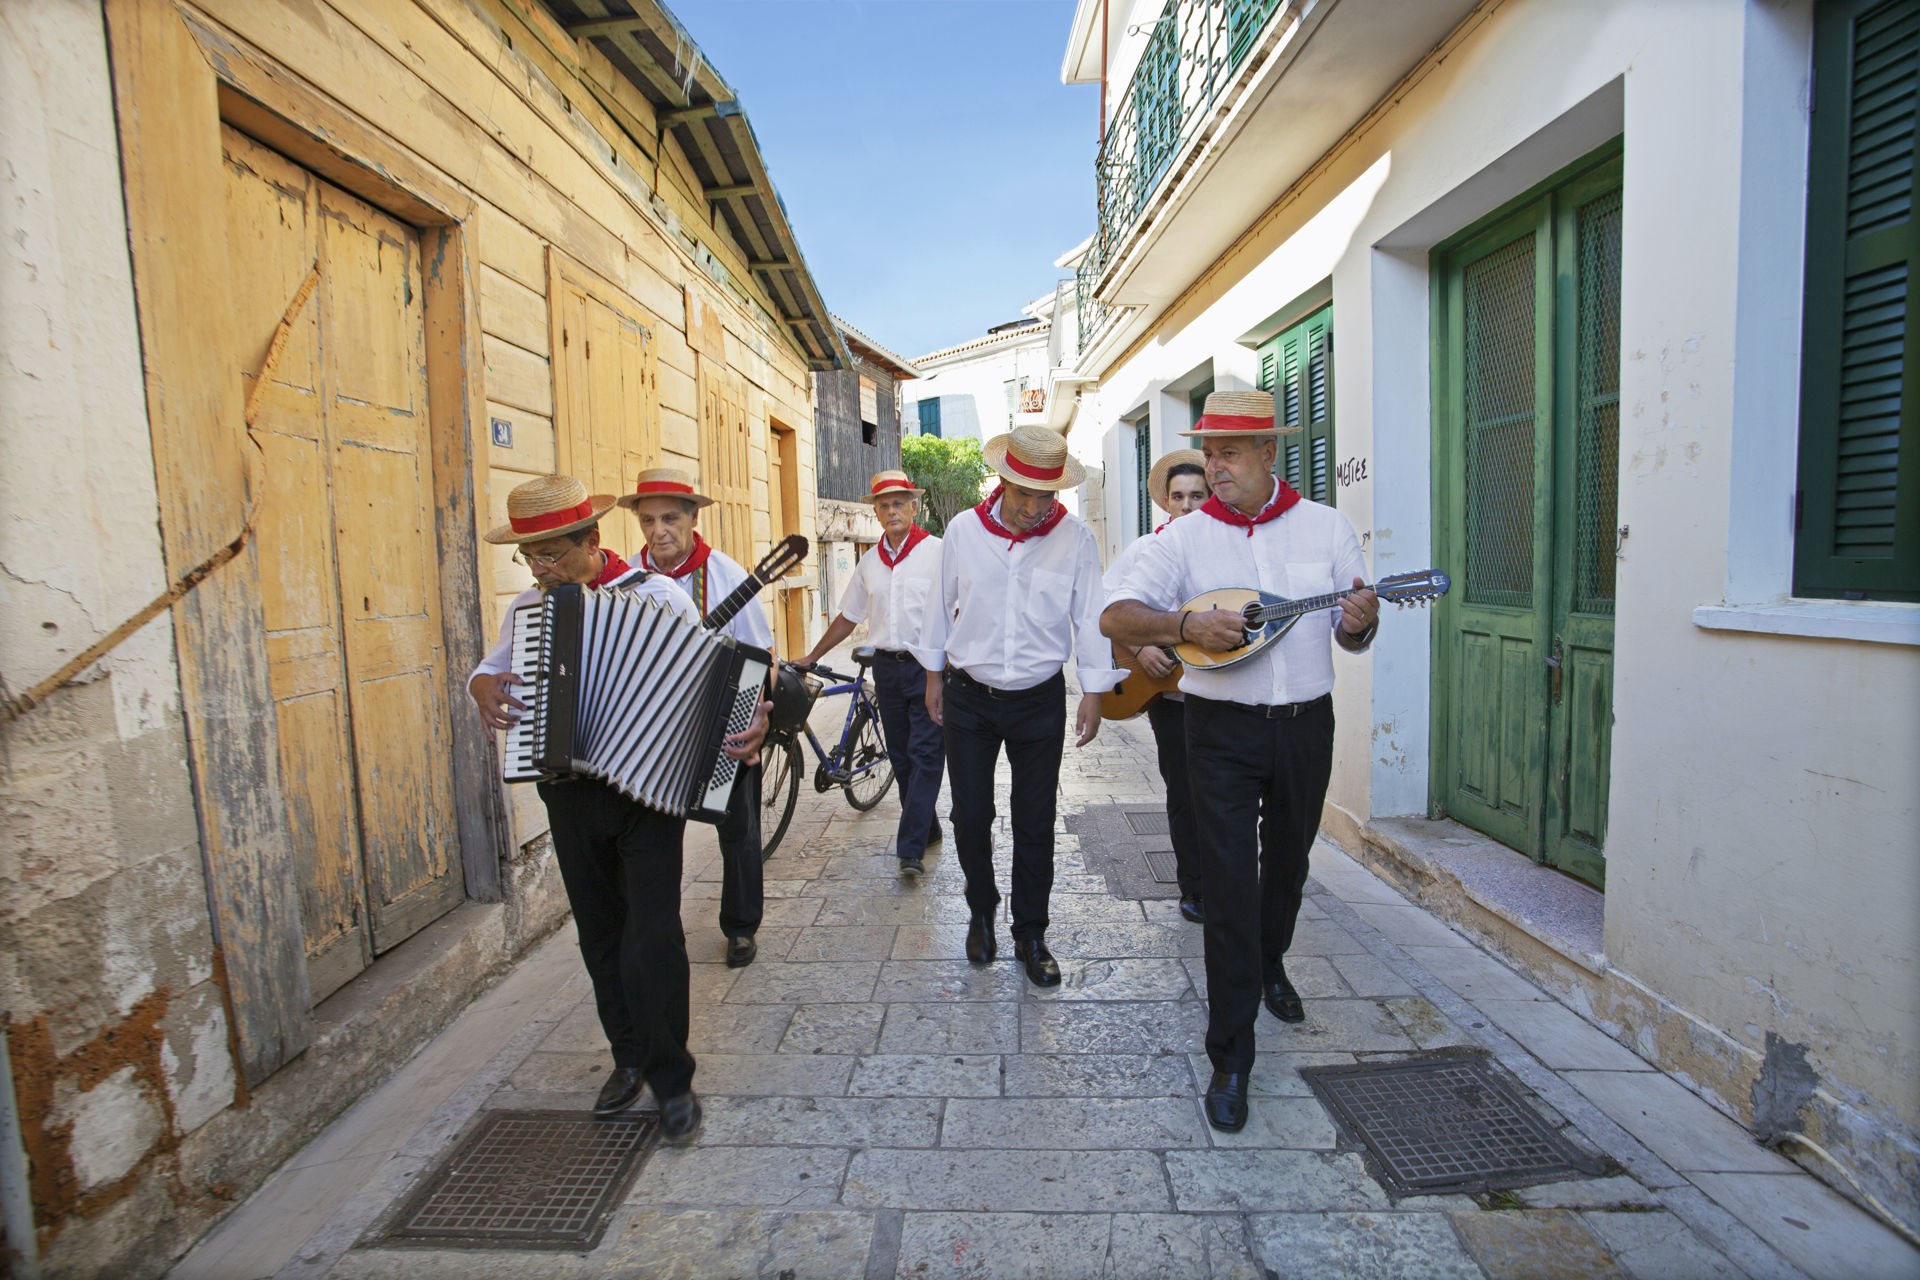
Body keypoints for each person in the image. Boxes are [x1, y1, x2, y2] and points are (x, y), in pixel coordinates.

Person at [1101, 390, 1379, 1134]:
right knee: (1228, 886)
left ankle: (1270, 961)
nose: (1213, 465)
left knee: (1287, 865)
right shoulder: (1184, 539)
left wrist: (1360, 624)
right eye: (1208, 451)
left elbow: (1353, 635)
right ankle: (1231, 1055)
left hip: (1304, 727)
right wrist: (1185, 622)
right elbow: (1115, 615)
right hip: (1217, 730)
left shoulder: (1326, 528)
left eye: (1228, 452)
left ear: (1268, 455)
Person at [468, 474, 767, 1139]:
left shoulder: (657, 595)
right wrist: (483, 686)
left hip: (647, 792)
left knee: (652, 933)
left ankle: (672, 1079)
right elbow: (490, 667)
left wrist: (751, 722)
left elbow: (709, 677)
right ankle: (626, 1057)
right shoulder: (527, 610)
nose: (541, 569)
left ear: (593, 541)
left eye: (553, 554)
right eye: (530, 556)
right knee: (600, 932)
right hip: (568, 789)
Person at [913, 425, 1121, 988]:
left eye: (1044, 496)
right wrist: (933, 674)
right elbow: (939, 606)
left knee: (1035, 821)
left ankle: (1032, 932)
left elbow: (1091, 616)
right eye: (1022, 493)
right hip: (968, 700)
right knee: (970, 814)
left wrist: (1095, 691)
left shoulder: (1075, 539)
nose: (1032, 508)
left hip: (1038, 701)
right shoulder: (962, 532)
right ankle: (982, 909)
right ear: (1002, 480)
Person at [620, 467, 775, 970]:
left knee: (737, 829)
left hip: (721, 726)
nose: (657, 530)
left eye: (669, 517)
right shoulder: (623, 579)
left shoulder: (726, 575)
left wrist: (756, 724)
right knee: (651, 837)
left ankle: (740, 927)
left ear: (691, 518)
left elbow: (762, 659)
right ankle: (657, 933)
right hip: (653, 733)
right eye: (647, 520)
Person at [797, 471, 945, 876]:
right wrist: (812, 656)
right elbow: (849, 616)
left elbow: (959, 608)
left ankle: (909, 849)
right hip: (887, 669)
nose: (892, 510)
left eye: (900, 503)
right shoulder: (869, 563)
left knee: (927, 755)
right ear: (876, 512)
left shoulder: (938, 553)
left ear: (914, 508)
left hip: (930, 667)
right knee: (900, 756)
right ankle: (928, 828)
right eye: (884, 504)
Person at [1102, 449, 1210, 924]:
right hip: (1169, 697)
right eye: (1179, 497)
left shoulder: (1226, 548)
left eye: (1197, 496)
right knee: (1184, 793)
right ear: (1165, 502)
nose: (1187, 505)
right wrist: (1138, 644)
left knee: (1223, 795)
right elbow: (1105, 606)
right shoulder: (1146, 551)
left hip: (1223, 696)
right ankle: (1196, 887)